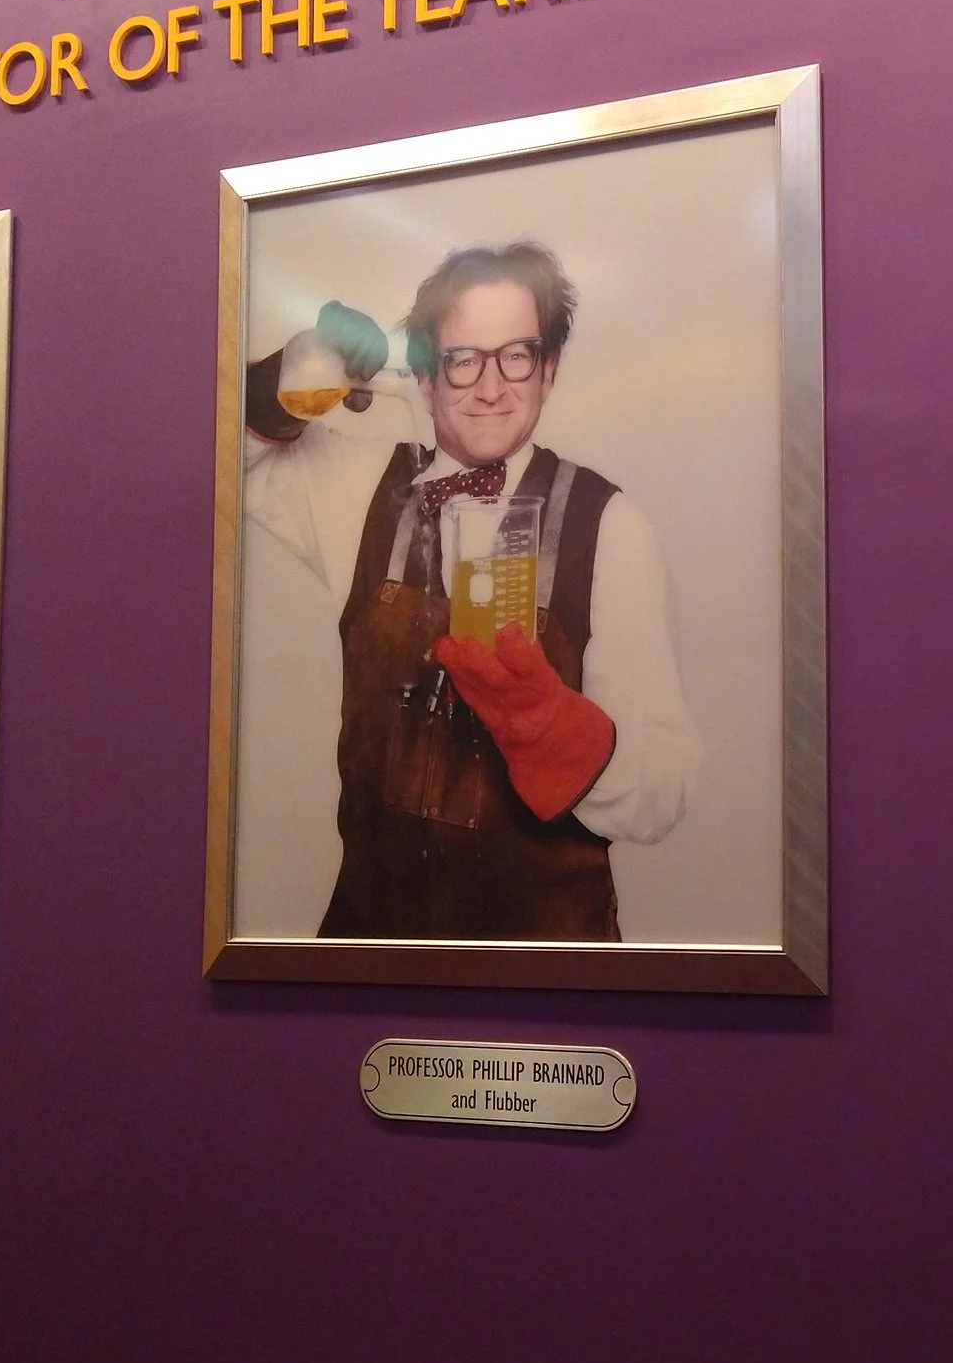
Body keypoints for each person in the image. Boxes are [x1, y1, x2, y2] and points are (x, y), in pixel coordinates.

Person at [243, 241, 700, 941]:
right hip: (368, 957)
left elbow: (662, 791)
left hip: (554, 972)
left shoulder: (609, 524)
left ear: (548, 370)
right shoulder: (359, 487)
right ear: (425, 379)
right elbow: (220, 457)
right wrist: (291, 368)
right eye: (462, 360)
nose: (491, 387)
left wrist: (556, 730)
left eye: (516, 354)